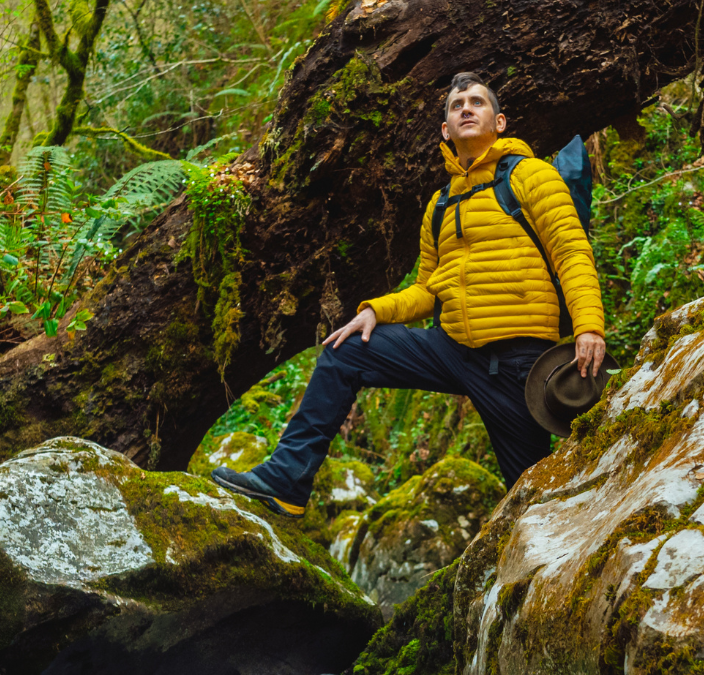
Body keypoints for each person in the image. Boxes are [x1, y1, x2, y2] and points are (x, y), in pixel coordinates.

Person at [212, 72, 607, 517]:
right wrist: (375, 312)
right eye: (457, 105)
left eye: (477, 102)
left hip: (518, 363)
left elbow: (572, 252)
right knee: (347, 350)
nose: (466, 109)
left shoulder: (532, 176)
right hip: (453, 349)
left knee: (533, 503)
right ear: (445, 130)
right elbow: (426, 290)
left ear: (499, 122)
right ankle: (286, 480)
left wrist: (589, 326)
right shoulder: (439, 204)